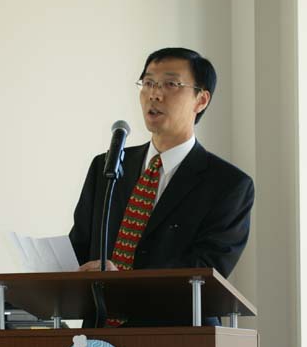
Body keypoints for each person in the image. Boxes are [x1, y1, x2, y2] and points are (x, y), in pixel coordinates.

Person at [69, 47, 254, 281]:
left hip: (177, 317)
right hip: (101, 317)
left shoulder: (228, 185)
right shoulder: (106, 167)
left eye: (170, 85)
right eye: (148, 83)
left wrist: (125, 284)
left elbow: (205, 271)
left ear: (201, 100)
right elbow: (79, 251)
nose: (154, 94)